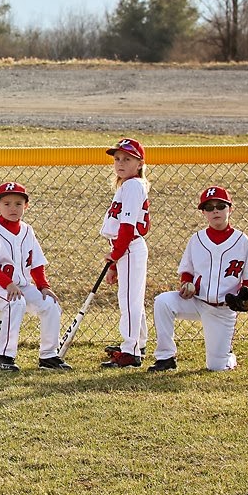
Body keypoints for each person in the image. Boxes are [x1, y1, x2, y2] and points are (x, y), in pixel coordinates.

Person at [148, 186, 248, 372]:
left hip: (223, 310)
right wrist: (186, 285)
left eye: (220, 205)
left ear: (230, 209)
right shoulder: (197, 239)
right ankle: (166, 357)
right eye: (209, 207)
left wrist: (245, 293)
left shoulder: (242, 240)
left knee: (216, 367)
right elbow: (187, 272)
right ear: (203, 213)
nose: (215, 210)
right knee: (163, 302)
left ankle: (228, 356)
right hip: (196, 301)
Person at [0, 183, 70, 371]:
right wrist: (8, 284)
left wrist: (43, 285)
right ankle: (4, 356)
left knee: (50, 304)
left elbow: (36, 264)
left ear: (26, 206)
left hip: (20, 284)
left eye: (18, 204)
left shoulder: (27, 230)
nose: (13, 208)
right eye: (7, 203)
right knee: (15, 303)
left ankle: (48, 356)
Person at [100, 138, 151, 368]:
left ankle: (130, 352)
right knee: (133, 299)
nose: (120, 163)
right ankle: (137, 344)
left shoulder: (132, 185)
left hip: (128, 246)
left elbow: (127, 227)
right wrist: (114, 262)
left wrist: (116, 254)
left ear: (139, 164)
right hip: (126, 247)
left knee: (129, 301)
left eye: (127, 159)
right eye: (117, 159)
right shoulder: (127, 185)